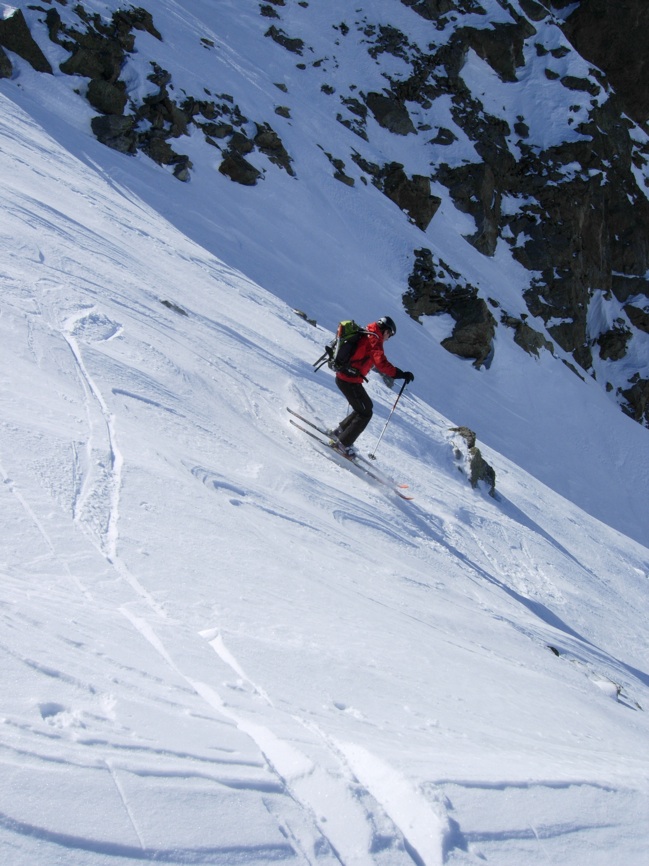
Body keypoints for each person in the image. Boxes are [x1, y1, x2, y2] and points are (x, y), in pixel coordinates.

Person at [330, 316, 414, 455]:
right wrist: (400, 374)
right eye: (390, 335)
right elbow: (381, 363)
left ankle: (339, 433)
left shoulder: (368, 331)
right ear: (386, 331)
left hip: (347, 378)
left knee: (364, 407)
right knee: (365, 413)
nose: (388, 338)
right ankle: (343, 444)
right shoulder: (374, 339)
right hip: (349, 380)